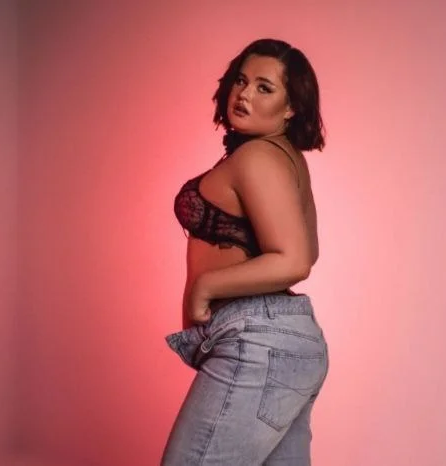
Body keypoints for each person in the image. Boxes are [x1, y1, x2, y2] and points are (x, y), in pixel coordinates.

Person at [162, 38, 329, 466]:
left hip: (258, 341)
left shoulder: (257, 158)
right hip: (286, 341)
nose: (244, 94)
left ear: (291, 107)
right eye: (241, 80)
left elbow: (295, 259)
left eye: (264, 88)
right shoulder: (286, 159)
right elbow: (309, 249)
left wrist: (205, 287)